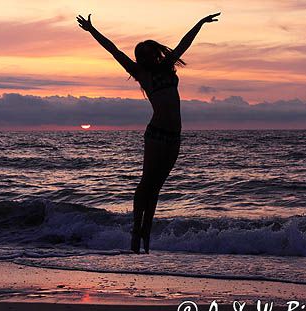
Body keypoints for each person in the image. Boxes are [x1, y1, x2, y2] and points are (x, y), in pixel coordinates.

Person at [77, 12, 221, 253]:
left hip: (174, 136)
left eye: (147, 54)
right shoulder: (141, 74)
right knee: (146, 183)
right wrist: (92, 31)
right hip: (156, 134)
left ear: (155, 54)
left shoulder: (167, 66)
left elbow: (184, 43)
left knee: (157, 186)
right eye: (140, 55)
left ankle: (147, 232)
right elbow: (114, 51)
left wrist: (199, 23)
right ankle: (136, 230)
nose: (144, 58)